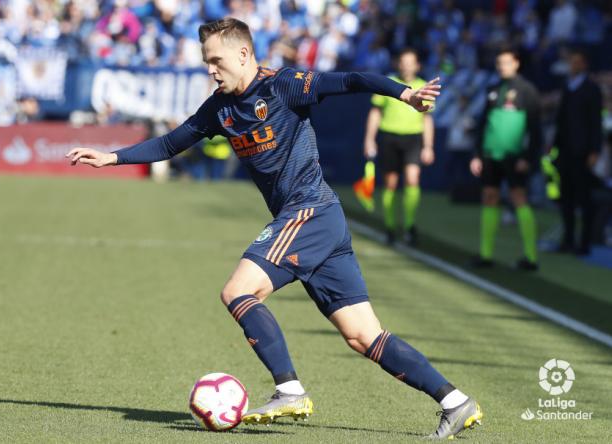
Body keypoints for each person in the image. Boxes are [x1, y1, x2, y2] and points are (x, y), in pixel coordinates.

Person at [66, 18, 482, 439]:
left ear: (244, 54)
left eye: (216, 61)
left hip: (310, 211)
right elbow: (172, 143)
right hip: (320, 223)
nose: (210, 69)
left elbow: (352, 79)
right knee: (363, 337)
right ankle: (455, 401)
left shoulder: (283, 86)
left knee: (237, 291)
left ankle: (289, 389)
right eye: (206, 62)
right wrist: (112, 158)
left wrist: (404, 93)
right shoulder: (220, 108)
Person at [470, 49, 542, 270]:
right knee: (489, 197)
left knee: (519, 198)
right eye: (499, 62)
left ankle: (530, 258)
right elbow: (483, 123)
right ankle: (486, 255)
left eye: (507, 62)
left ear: (516, 64)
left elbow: (536, 129)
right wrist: (477, 154)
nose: (502, 66)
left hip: (515, 155)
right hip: (491, 154)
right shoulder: (493, 89)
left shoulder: (527, 90)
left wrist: (528, 157)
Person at [361, 48, 435, 245]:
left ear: (417, 65)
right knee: (391, 183)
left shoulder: (423, 86)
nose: (407, 65)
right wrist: (369, 139)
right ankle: (390, 227)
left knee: (412, 179)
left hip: (413, 138)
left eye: (411, 62)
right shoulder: (388, 83)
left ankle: (410, 226)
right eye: (404, 61)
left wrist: (428, 146)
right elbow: (375, 113)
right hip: (389, 136)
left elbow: (427, 118)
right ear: (398, 64)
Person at [554, 50, 603, 256]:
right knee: (566, 197)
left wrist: (594, 150)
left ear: (584, 64)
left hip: (582, 151)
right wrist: (555, 144)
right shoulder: (567, 86)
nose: (573, 65)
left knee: (584, 198)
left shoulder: (591, 89)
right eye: (571, 62)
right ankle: (568, 239)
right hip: (565, 150)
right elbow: (561, 119)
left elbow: (595, 122)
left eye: (577, 62)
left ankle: (584, 243)